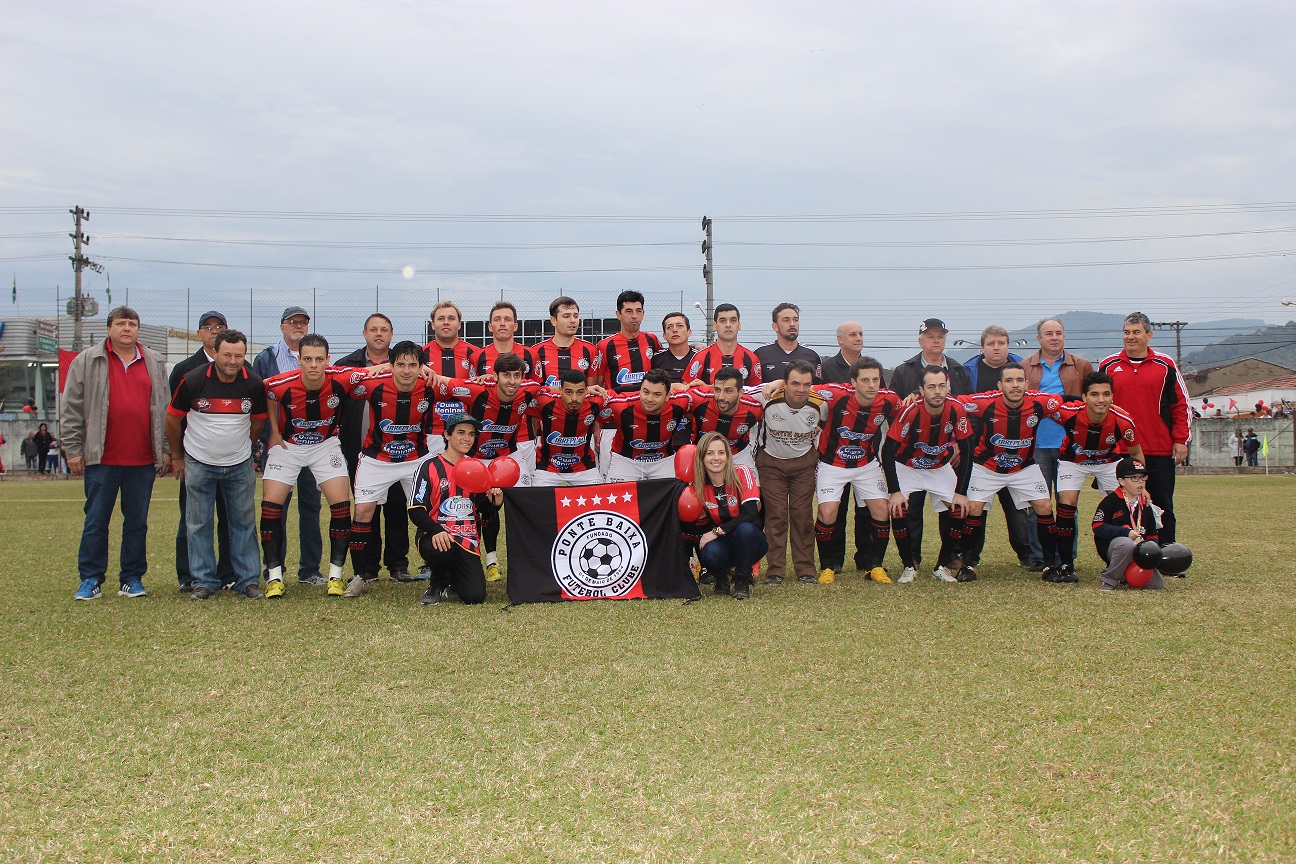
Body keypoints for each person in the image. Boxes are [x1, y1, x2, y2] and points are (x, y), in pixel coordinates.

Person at [60, 307, 171, 600]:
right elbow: (70, 407)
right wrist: (72, 448)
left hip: (142, 459)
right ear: (109, 328)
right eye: (121, 323)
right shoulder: (87, 360)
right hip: (102, 458)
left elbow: (164, 409)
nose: (127, 329)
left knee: (137, 522)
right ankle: (91, 579)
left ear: (138, 329)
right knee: (96, 520)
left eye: (132, 324)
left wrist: (165, 450)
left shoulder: (154, 361)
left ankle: (131, 578)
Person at [260, 334, 367, 598]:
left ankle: (335, 576)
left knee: (342, 507)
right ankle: (274, 577)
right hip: (288, 448)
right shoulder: (281, 383)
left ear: (327, 360)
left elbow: (372, 373)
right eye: (307, 359)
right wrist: (273, 430)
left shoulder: (340, 377)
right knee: (270, 509)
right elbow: (266, 392)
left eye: (319, 359)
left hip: (325, 447)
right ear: (299, 360)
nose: (313, 365)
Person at [165, 329, 267, 601]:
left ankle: (248, 580)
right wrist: (177, 457)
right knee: (198, 524)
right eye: (227, 355)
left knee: (243, 523)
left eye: (239, 355)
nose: (233, 361)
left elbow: (257, 422)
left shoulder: (254, 383)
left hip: (239, 464)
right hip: (199, 463)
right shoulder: (193, 380)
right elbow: (172, 419)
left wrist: (243, 446)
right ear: (215, 353)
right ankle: (203, 581)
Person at [430, 351, 543, 582]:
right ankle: (490, 561)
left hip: (508, 458)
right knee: (485, 508)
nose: (512, 381)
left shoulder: (529, 390)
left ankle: (529, 561)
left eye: (516, 375)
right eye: (506, 375)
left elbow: (554, 392)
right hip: (476, 460)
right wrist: (426, 371)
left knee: (524, 504)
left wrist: (591, 390)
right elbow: (446, 382)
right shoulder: (476, 390)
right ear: (495, 376)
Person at [345, 340, 441, 597]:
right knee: (363, 511)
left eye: (413, 365)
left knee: (431, 512)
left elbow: (463, 387)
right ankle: (358, 576)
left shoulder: (430, 386)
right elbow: (341, 381)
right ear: (391, 365)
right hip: (377, 459)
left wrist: (439, 374)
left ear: (421, 367)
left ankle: (441, 574)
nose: (406, 370)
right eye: (400, 365)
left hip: (416, 459)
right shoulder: (373, 385)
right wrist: (367, 371)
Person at [957, 363, 1067, 583]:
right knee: (975, 508)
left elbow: (1069, 403)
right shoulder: (984, 402)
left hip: (1023, 467)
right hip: (987, 466)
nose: (1014, 385)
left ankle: (1049, 565)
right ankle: (967, 565)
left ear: (1027, 383)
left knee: (1045, 506)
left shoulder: (1041, 402)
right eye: (1009, 381)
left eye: (1019, 380)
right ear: (1000, 385)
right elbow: (954, 403)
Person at [885, 319, 974, 569]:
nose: (936, 340)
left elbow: (965, 410)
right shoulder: (905, 370)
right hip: (910, 453)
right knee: (910, 508)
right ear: (920, 340)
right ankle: (912, 557)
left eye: (941, 336)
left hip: (945, 450)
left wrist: (957, 443)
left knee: (952, 507)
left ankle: (951, 556)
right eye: (931, 336)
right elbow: (895, 410)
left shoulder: (958, 369)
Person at [1098, 312, 1191, 544]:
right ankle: (1126, 554)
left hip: (1158, 449)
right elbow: (1098, 406)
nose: (1131, 337)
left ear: (1149, 335)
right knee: (1122, 506)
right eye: (1127, 332)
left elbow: (1181, 404)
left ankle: (1167, 553)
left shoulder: (1165, 364)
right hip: (1121, 450)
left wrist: (1181, 439)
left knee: (1161, 504)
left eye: (1136, 332)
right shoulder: (1108, 366)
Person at [336, 313, 414, 583]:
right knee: (366, 509)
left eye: (384, 330)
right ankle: (367, 569)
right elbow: (335, 393)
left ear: (391, 335)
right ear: (364, 333)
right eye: (373, 329)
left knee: (396, 508)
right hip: (360, 448)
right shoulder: (347, 364)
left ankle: (397, 565)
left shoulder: (404, 363)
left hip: (399, 451)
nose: (378, 334)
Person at [810, 357, 901, 584]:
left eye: (876, 380)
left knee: (881, 509)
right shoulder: (835, 394)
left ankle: (876, 566)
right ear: (854, 382)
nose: (871, 385)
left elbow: (910, 407)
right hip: (832, 463)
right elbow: (801, 385)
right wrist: (777, 384)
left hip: (865, 464)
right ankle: (827, 567)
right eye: (866, 380)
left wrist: (914, 397)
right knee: (828, 513)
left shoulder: (889, 400)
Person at [252, 306, 323, 586]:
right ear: (282, 327)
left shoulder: (316, 358)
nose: (298, 326)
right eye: (293, 322)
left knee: (311, 507)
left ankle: (309, 570)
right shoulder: (267, 358)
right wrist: (266, 437)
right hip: (281, 446)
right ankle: (274, 569)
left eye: (303, 322)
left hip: (313, 444)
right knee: (275, 508)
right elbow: (260, 401)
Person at [169, 309, 237, 593]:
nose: (213, 331)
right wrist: (178, 455)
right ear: (199, 334)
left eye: (219, 326)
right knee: (194, 518)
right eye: (207, 327)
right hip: (196, 457)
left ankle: (228, 574)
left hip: (233, 458)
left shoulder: (240, 368)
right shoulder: (184, 369)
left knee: (230, 518)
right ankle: (190, 575)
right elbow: (175, 416)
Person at [1051, 371, 1144, 577]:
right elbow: (1039, 407)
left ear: (1112, 396)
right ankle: (1066, 564)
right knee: (1066, 503)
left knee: (1123, 505)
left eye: (1106, 394)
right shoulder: (1067, 412)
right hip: (1073, 461)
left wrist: (1141, 485)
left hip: (1108, 462)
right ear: (1084, 397)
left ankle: (1123, 559)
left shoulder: (1124, 421)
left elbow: (1136, 453)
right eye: (1094, 394)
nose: (1101, 400)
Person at [961, 325, 1036, 569]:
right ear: (982, 347)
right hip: (979, 451)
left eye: (1001, 343)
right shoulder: (968, 371)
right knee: (976, 507)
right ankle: (971, 556)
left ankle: (1027, 555)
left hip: (1015, 453)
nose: (996, 348)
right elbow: (960, 406)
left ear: (1007, 345)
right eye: (991, 344)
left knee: (1016, 508)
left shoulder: (1020, 368)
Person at [407, 413, 501, 606]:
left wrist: (495, 502)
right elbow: (415, 509)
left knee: (475, 597)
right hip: (434, 534)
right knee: (441, 548)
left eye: (471, 434)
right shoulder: (429, 466)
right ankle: (437, 584)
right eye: (460, 432)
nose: (467, 438)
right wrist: (436, 530)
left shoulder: (476, 468)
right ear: (447, 435)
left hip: (466, 538)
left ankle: (453, 580)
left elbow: (484, 509)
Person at [1024, 318, 1094, 569]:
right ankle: (1040, 557)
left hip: (1069, 446)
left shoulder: (1081, 365)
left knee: (1068, 504)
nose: (1054, 337)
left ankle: (1067, 556)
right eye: (1049, 333)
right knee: (1037, 503)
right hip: (1036, 445)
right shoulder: (1024, 367)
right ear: (1039, 338)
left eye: (1059, 333)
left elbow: (1092, 400)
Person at [753, 359, 824, 584]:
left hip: (803, 464)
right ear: (785, 383)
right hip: (771, 463)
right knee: (776, 515)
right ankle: (775, 569)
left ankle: (806, 568)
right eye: (795, 383)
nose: (801, 389)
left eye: (806, 384)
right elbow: (739, 389)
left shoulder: (821, 403)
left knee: (802, 515)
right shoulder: (767, 397)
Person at [686, 432, 767, 600]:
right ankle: (721, 578)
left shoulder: (742, 473)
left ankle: (742, 579)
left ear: (728, 456)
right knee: (709, 552)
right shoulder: (697, 484)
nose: (716, 458)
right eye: (710, 453)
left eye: (721, 453)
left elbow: (751, 513)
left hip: (751, 541)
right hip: (725, 543)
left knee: (745, 529)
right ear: (701, 457)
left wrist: (716, 532)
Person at [599, 368, 694, 482]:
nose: (649, 399)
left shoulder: (682, 400)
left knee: (674, 495)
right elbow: (587, 399)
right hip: (626, 461)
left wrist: (709, 386)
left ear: (668, 395)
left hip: (663, 461)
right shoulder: (620, 404)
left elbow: (712, 395)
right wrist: (587, 389)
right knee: (616, 498)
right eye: (646, 392)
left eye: (657, 394)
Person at [1092, 458, 1165, 591]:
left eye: (1143, 478)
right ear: (1121, 481)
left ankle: (1126, 574)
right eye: (1134, 478)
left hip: (1139, 551)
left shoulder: (1146, 505)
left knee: (1157, 585)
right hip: (1116, 548)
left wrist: (1151, 549)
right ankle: (1110, 579)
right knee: (1126, 544)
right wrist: (1125, 532)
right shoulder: (1111, 501)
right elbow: (1097, 526)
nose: (1140, 482)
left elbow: (1152, 533)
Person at [527, 369, 608, 487]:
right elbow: (515, 392)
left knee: (597, 502)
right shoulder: (545, 402)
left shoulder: (596, 401)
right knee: (538, 503)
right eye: (568, 392)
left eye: (580, 392)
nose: (574, 398)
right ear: (560, 390)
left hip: (584, 468)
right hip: (547, 468)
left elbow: (631, 397)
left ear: (586, 390)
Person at [685, 367, 764, 473]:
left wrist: (780, 382)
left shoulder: (754, 409)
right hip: (703, 454)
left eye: (728, 391)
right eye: (717, 390)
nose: (721, 397)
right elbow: (668, 391)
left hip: (737, 454)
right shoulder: (699, 398)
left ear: (740, 393)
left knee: (752, 487)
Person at [597, 290, 662, 394]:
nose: (634, 316)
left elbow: (670, 355)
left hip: (647, 405)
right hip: (618, 405)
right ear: (618, 314)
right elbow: (598, 384)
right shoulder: (605, 345)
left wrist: (695, 346)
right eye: (629, 311)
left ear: (643, 313)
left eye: (638, 311)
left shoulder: (652, 340)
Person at [685, 304, 762, 386]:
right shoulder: (701, 357)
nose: (728, 325)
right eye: (723, 321)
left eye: (733, 320)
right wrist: (710, 389)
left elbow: (756, 393)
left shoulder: (752, 358)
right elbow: (688, 390)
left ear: (739, 325)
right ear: (715, 326)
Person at [533, 296, 601, 388]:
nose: (573, 320)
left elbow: (591, 389)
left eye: (576, 316)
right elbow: (535, 389)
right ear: (553, 320)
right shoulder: (536, 351)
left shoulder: (590, 350)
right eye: (566, 316)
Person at [755, 302, 822, 382]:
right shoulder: (760, 354)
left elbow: (818, 389)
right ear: (775, 326)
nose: (792, 324)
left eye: (795, 320)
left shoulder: (812, 355)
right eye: (786, 320)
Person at [472, 301, 539, 379]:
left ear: (515, 326)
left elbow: (537, 388)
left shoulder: (531, 355)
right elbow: (472, 388)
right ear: (490, 327)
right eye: (497, 319)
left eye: (507, 319)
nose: (502, 323)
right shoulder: (477, 357)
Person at [651, 311, 697, 385]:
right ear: (664, 335)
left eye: (680, 326)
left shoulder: (700, 357)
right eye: (669, 327)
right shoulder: (655, 358)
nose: (674, 330)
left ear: (689, 332)